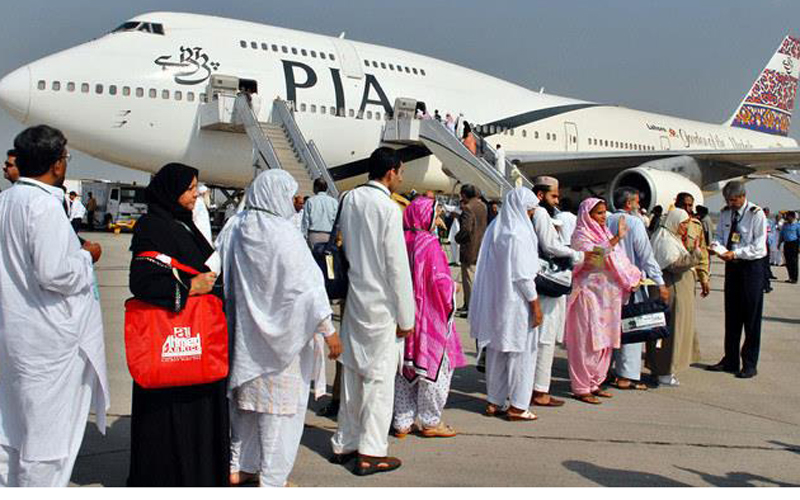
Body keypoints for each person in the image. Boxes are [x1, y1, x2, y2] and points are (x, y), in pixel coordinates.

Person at [217, 170, 342, 487]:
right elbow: (307, 289)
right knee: (279, 415)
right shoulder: (284, 234)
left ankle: (239, 466)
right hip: (282, 348)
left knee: (244, 411)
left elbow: (215, 267)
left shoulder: (236, 226)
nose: (294, 202)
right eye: (289, 196)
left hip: (246, 341)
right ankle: (272, 480)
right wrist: (330, 331)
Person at [0, 125, 108, 487]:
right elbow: (54, 273)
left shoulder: (7, 200)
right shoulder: (43, 206)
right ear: (58, 164)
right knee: (47, 442)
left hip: (18, 333)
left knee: (14, 431)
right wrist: (86, 255)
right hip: (48, 342)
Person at [127, 163, 230, 486]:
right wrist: (189, 287)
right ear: (171, 191)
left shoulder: (184, 223)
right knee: (170, 427)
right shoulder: (152, 226)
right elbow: (141, 280)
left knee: (200, 423)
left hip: (197, 343)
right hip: (172, 345)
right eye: (190, 188)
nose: (196, 194)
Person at [330, 148, 415, 476]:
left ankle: (345, 442)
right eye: (400, 172)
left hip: (356, 297)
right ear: (392, 172)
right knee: (379, 381)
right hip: (381, 305)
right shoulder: (389, 209)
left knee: (352, 373)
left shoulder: (350, 199)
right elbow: (397, 266)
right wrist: (406, 317)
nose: (401, 178)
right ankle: (371, 451)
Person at [392, 196, 467, 437]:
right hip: (428, 317)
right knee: (436, 369)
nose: (437, 221)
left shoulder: (400, 240)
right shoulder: (429, 244)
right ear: (424, 216)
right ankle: (430, 421)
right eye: (434, 215)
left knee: (404, 369)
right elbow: (439, 281)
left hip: (403, 316)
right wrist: (453, 289)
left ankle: (402, 422)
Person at [470, 188, 542, 420]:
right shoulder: (518, 233)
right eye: (530, 211)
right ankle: (519, 406)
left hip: (496, 300)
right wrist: (535, 304)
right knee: (522, 354)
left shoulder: (497, 228)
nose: (530, 216)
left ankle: (494, 400)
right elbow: (522, 275)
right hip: (517, 303)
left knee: (497, 351)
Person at [565, 198, 641, 404]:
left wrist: (633, 277)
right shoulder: (581, 235)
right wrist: (616, 238)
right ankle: (581, 387)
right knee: (586, 342)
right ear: (587, 215)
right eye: (598, 213)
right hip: (588, 295)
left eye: (604, 213)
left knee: (605, 342)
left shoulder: (604, 233)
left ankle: (595, 382)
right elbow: (592, 259)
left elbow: (621, 261)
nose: (602, 217)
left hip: (608, 298)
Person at [530, 177, 587, 407]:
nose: (557, 200)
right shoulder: (542, 215)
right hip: (547, 282)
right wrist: (578, 255)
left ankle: (533, 387)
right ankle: (540, 390)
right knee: (545, 338)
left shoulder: (540, 214)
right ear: (541, 195)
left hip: (539, 280)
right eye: (553, 196)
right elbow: (550, 246)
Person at [606, 188, 668, 390]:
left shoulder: (605, 220)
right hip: (630, 285)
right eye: (637, 202)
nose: (639, 206)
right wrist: (660, 282)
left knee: (608, 330)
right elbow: (646, 256)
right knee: (632, 330)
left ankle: (605, 370)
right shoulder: (634, 223)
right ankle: (626, 375)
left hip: (607, 285)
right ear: (628, 204)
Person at [707, 181, 767, 379]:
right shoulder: (726, 213)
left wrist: (736, 253)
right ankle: (730, 359)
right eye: (728, 200)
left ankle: (749, 363)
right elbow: (719, 236)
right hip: (732, 266)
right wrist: (716, 247)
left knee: (751, 317)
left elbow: (759, 246)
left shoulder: (755, 214)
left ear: (743, 196)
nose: (731, 203)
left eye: (733, 200)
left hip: (751, 268)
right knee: (732, 316)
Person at [646, 209, 705, 386]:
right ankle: (664, 370)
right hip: (671, 293)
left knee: (671, 332)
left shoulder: (670, 237)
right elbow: (674, 265)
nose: (685, 227)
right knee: (669, 333)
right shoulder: (664, 239)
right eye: (683, 224)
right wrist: (695, 255)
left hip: (676, 291)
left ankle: (664, 369)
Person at [454, 184, 488, 317]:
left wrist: (458, 238)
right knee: (473, 278)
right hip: (480, 246)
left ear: (464, 194)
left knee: (468, 280)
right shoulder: (482, 206)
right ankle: (468, 304)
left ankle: (470, 307)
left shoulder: (468, 208)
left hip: (469, 248)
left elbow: (466, 229)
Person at [302, 178, 339, 247]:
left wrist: (304, 235)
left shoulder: (310, 201)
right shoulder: (334, 201)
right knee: (329, 256)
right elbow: (337, 220)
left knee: (315, 257)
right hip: (329, 235)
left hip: (314, 235)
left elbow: (305, 221)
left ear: (316, 188)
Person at [780, 211, 799, 283]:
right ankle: (790, 277)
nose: (787, 218)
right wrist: (779, 243)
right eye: (787, 216)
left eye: (789, 216)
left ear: (793, 217)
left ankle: (794, 278)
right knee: (788, 261)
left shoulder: (797, 225)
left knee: (794, 261)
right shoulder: (785, 225)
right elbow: (782, 234)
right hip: (786, 244)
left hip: (794, 244)